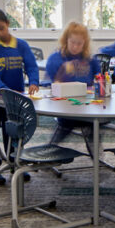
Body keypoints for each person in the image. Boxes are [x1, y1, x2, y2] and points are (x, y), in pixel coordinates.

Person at [0, 8, 39, 179]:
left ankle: (15, 165)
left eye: (1, 28)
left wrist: (34, 81)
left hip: (14, 100)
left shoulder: (22, 45)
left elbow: (31, 66)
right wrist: (4, 89)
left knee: (13, 132)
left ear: (8, 24)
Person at [45, 21, 99, 153]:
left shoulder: (90, 60)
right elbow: (49, 85)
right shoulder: (56, 58)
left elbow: (98, 79)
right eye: (72, 42)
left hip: (86, 107)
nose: (75, 46)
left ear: (84, 43)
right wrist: (61, 76)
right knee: (66, 125)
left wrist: (97, 84)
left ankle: (97, 157)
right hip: (64, 107)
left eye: (79, 43)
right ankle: (48, 152)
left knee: (92, 126)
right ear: (66, 40)